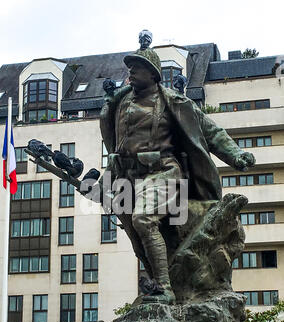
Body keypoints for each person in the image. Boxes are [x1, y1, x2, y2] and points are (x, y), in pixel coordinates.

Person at [96, 32, 255, 305]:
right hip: (125, 175)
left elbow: (210, 132)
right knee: (135, 235)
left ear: (153, 74)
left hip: (163, 173)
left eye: (137, 69)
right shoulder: (120, 102)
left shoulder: (174, 102)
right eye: (129, 69)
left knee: (144, 220)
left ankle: (166, 289)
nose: (130, 73)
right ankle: (156, 283)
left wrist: (236, 155)